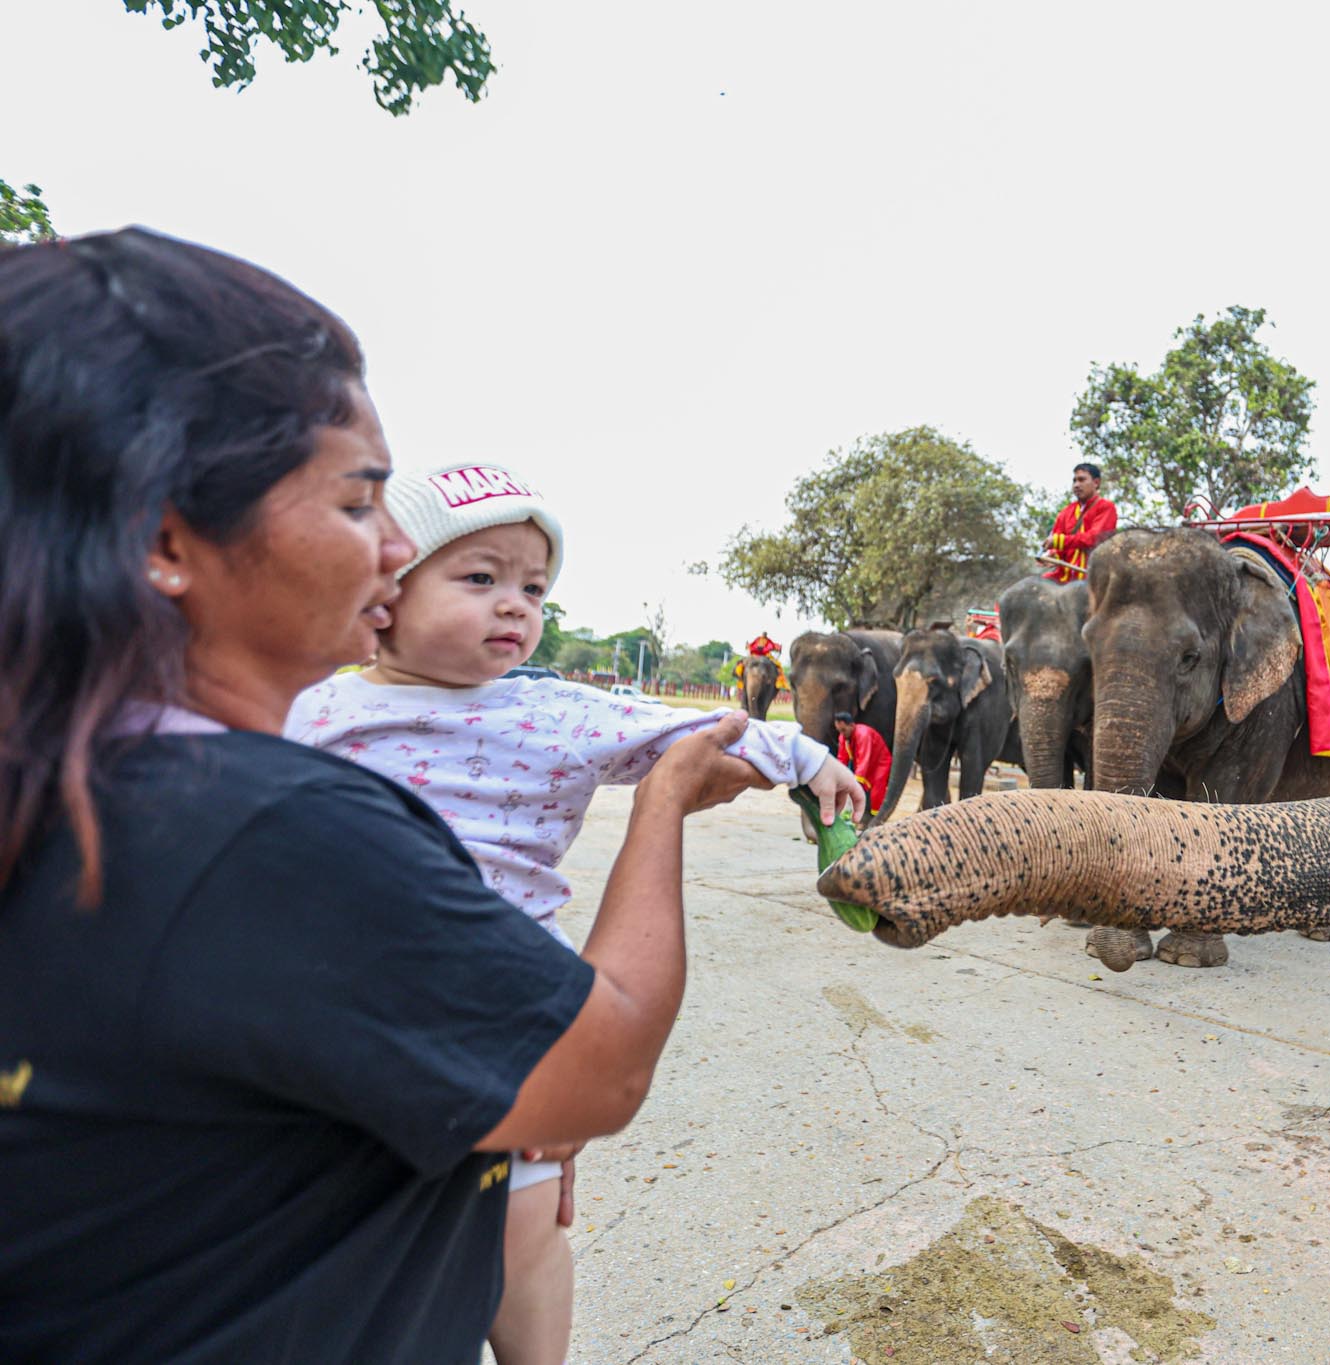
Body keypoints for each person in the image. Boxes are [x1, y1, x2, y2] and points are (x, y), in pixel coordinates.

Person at [0, 229, 812, 1363]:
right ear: (166, 537)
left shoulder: (64, 779)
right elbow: (599, 1069)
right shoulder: (266, 828)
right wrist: (665, 799)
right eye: (355, 506)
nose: (393, 552)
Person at [283, 463, 863, 1364]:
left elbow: (697, 732)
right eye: (479, 578)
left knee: (522, 1222)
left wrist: (805, 757)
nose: (514, 604)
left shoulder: (558, 712)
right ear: (383, 591)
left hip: (510, 1002)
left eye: (533, 587)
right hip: (360, 1007)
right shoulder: (316, 707)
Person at [1042, 462, 1117, 583]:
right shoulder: (1065, 512)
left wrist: (1059, 541)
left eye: (1082, 480)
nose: (1076, 485)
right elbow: (1058, 546)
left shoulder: (1106, 507)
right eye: (1074, 480)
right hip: (1064, 578)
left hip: (1092, 579)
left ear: (1096, 483)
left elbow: (1094, 538)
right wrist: (1052, 555)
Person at [834, 711, 893, 809]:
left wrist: (856, 783)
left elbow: (864, 759)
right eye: (839, 731)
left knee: (876, 792)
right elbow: (842, 758)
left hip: (880, 763)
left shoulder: (863, 734)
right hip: (864, 763)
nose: (842, 734)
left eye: (844, 730)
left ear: (852, 726)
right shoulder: (843, 737)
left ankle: (876, 817)